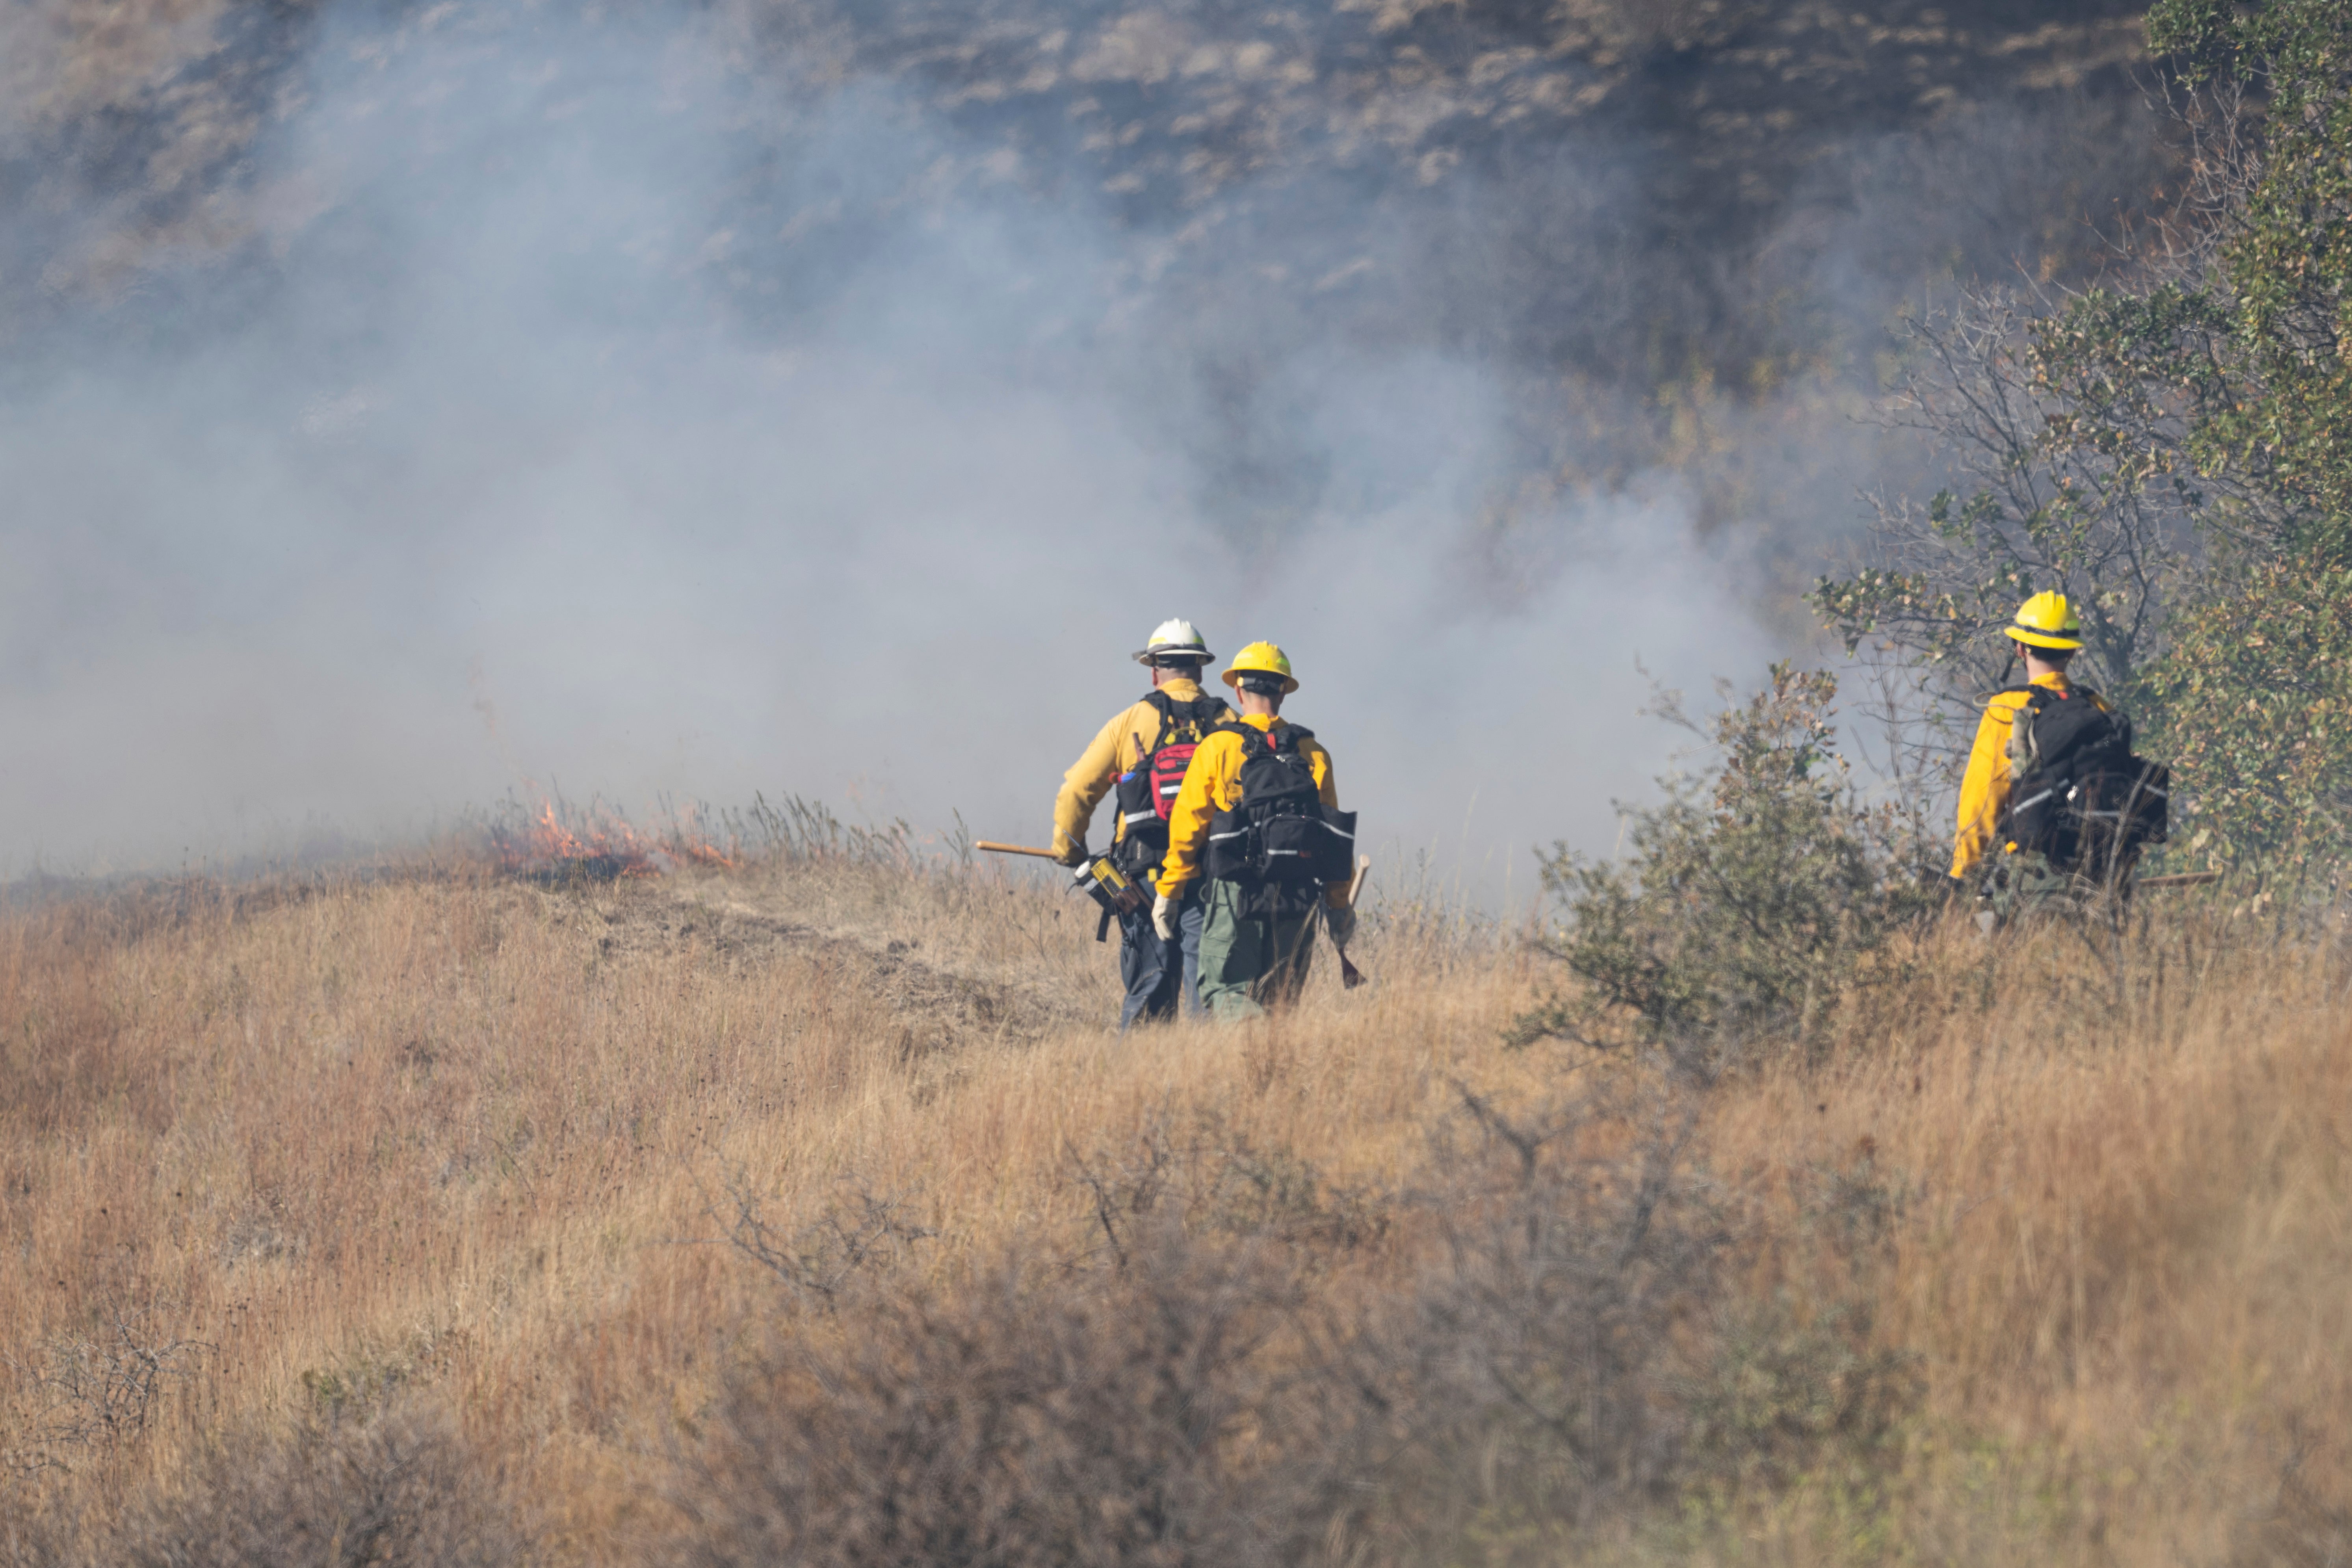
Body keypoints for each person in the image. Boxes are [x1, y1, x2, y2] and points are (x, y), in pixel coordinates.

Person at [1153, 641, 1355, 1020]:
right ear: (1283, 690)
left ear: (1237, 690)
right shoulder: (1313, 752)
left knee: (1225, 991)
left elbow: (1189, 823)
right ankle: (1274, 1074)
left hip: (1236, 889)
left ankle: (1248, 1052)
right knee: (1282, 1003)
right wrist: (1339, 906)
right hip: (1298, 892)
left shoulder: (1218, 747)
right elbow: (1332, 836)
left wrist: (1171, 889)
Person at [1050, 620, 1234, 1029]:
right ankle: (1206, 1079)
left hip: (1143, 880)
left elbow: (1077, 791)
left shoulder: (1129, 721)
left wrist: (1071, 852)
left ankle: (1138, 1081)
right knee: (1208, 996)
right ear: (1201, 670)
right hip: (1212, 876)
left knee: (1149, 989)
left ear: (1154, 670)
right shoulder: (1230, 722)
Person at [1948, 590, 2122, 923]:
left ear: (2020, 649)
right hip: (2105, 876)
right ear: (2071, 651)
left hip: (2037, 879)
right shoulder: (2099, 708)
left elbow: (1982, 801)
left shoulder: (2007, 708)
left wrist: (1964, 874)